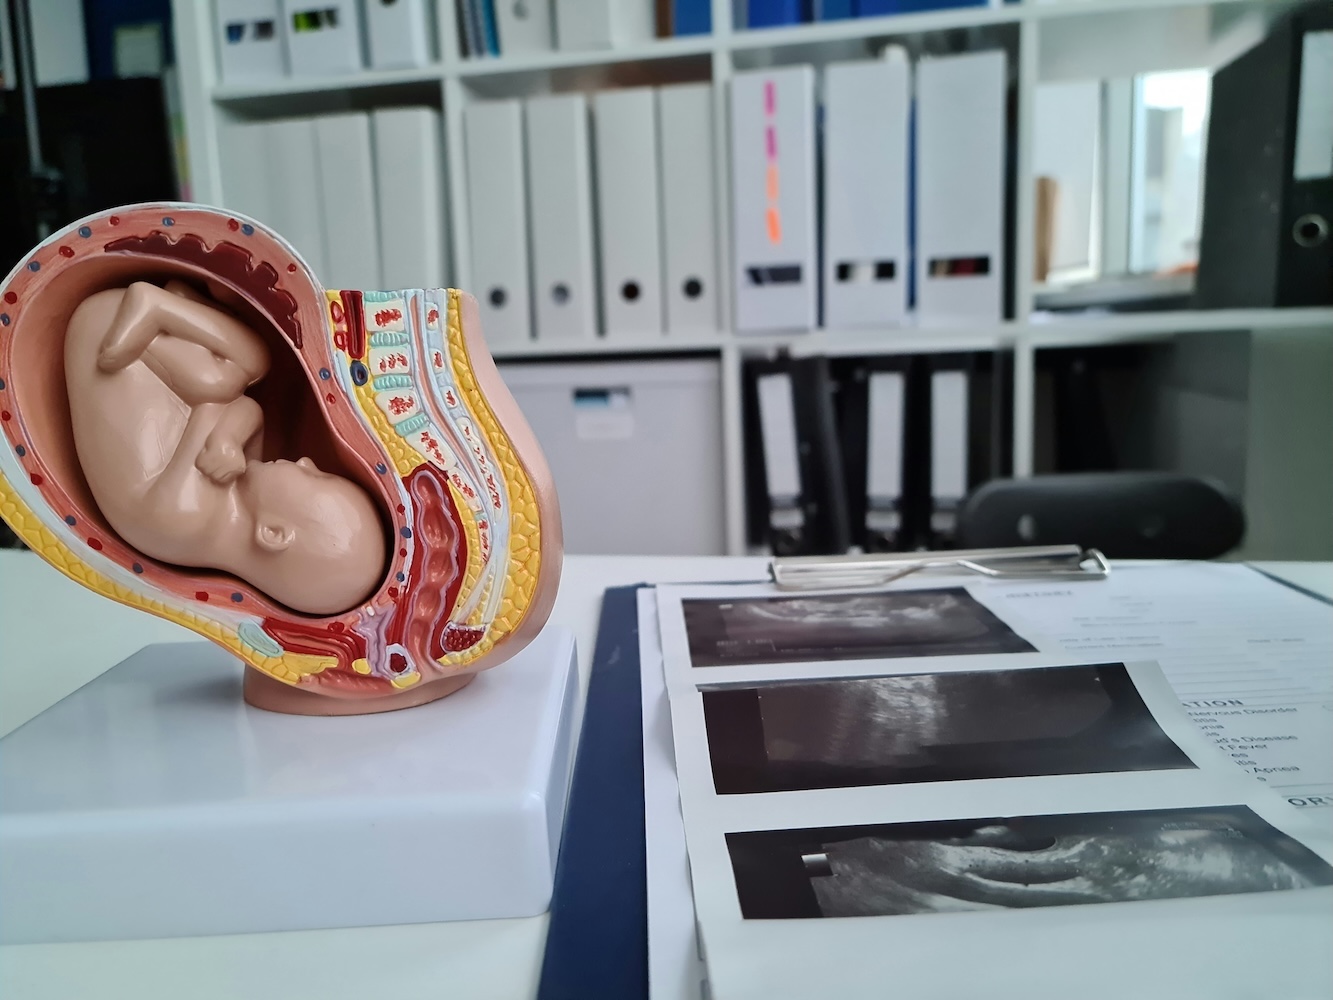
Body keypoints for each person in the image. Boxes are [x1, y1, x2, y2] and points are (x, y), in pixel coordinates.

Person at [65, 279, 385, 614]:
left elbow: (217, 406)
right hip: (136, 349)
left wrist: (224, 434)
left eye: (315, 478)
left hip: (104, 332)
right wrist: (227, 439)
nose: (306, 462)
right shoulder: (238, 493)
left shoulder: (182, 524)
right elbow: (249, 410)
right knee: (238, 374)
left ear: (273, 533)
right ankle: (176, 307)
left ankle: (159, 305)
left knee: (234, 374)